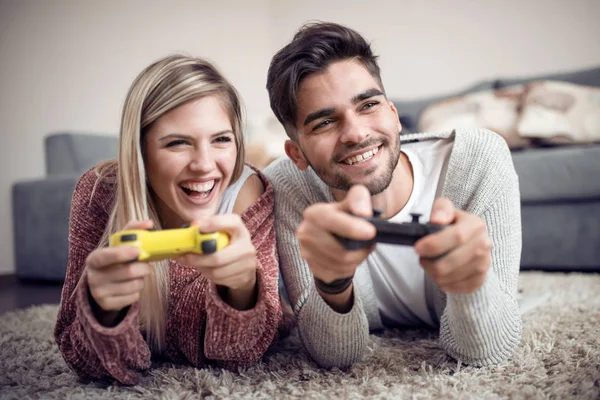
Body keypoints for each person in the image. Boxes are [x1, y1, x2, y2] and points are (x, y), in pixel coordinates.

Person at [264, 22, 522, 369]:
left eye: (368, 104)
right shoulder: (289, 185)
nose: (356, 134)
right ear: (296, 154)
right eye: (324, 123)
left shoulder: (479, 158)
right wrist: (333, 284)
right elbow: (335, 356)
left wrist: (469, 285)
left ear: (394, 115)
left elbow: (486, 353)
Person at [55, 55, 284, 385]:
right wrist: (103, 310)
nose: (204, 165)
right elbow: (79, 356)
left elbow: (244, 353)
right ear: (140, 150)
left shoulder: (249, 192)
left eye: (221, 139)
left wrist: (243, 289)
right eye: (178, 143)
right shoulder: (99, 192)